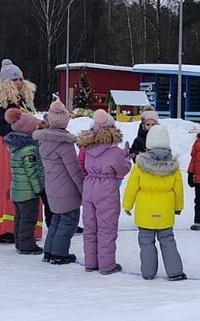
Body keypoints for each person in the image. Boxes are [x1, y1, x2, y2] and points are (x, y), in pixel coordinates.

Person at [123, 125, 187, 281]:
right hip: (165, 211)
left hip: (145, 211)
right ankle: (175, 272)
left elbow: (132, 186)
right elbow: (178, 189)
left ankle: (148, 272)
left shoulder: (140, 165)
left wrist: (127, 205)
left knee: (146, 242)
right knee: (167, 240)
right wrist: (178, 207)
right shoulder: (173, 166)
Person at [0, 59, 36, 245]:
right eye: (15, 80)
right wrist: (20, 132)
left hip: (18, 145)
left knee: (21, 183)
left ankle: (23, 225)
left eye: (20, 79)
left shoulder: (19, 99)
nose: (19, 83)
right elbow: (0, 126)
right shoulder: (0, 100)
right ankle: (5, 227)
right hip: (6, 147)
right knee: (6, 183)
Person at [77, 109, 132, 275]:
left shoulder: (88, 148)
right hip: (106, 188)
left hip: (89, 186)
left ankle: (90, 262)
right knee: (106, 227)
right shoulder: (114, 151)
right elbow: (122, 168)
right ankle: (107, 265)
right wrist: (127, 158)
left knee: (90, 226)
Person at [35, 100, 84, 265]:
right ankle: (59, 254)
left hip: (52, 189)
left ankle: (49, 251)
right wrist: (84, 189)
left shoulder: (44, 141)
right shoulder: (64, 144)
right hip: (66, 191)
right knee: (68, 221)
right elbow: (74, 170)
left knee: (56, 220)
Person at [3, 109, 45, 255]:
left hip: (17, 190)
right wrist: (40, 189)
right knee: (28, 219)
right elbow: (32, 171)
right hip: (28, 192)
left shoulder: (16, 147)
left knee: (19, 218)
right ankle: (27, 245)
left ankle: (19, 242)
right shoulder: (29, 150)